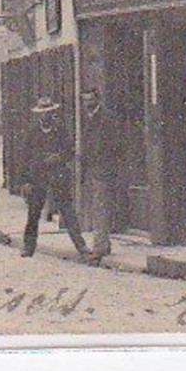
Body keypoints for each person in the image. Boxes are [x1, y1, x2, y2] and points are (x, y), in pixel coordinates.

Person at [21, 96, 90, 261]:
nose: (46, 115)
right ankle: (29, 247)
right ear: (39, 114)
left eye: (49, 112)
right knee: (33, 213)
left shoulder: (60, 129)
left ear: (53, 113)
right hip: (37, 176)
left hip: (58, 175)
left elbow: (69, 151)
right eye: (43, 113)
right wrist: (25, 181)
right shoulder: (32, 131)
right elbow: (24, 156)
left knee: (67, 211)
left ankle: (81, 246)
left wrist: (58, 157)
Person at [79, 88, 119, 263]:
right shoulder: (87, 118)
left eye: (91, 100)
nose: (88, 104)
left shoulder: (107, 118)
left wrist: (106, 163)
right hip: (92, 169)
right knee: (97, 207)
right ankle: (104, 243)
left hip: (103, 169)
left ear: (98, 100)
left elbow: (114, 144)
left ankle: (100, 246)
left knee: (100, 207)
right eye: (85, 100)